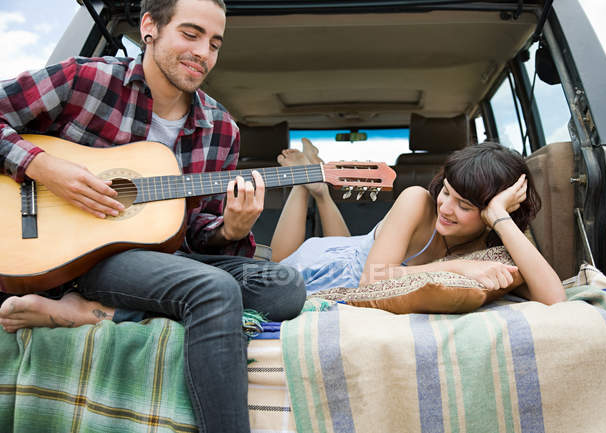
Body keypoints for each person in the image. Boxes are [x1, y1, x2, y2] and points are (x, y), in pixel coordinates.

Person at [0, 0, 306, 432]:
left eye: (215, 43)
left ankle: (89, 312)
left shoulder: (221, 128)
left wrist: (229, 231)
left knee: (285, 287)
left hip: (160, 263)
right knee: (213, 290)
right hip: (76, 256)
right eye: (191, 33)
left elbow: (199, 235)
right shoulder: (86, 79)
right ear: (150, 27)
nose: (204, 52)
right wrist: (43, 166)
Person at [271, 138, 566, 305]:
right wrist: (456, 266)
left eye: (463, 205)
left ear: (490, 211)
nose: (446, 209)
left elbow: (555, 300)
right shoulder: (418, 200)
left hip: (359, 250)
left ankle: (318, 188)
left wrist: (501, 218)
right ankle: (307, 181)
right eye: (447, 192)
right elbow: (371, 279)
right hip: (329, 263)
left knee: (354, 243)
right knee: (278, 265)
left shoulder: (496, 237)